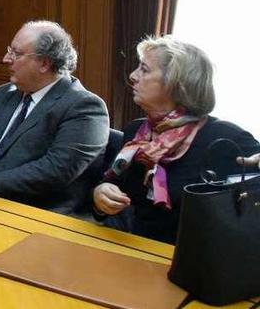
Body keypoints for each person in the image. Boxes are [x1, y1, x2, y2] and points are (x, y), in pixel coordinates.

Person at [93, 36, 260, 243]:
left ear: (175, 84)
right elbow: (109, 186)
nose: (133, 76)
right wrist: (100, 195)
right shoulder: (136, 131)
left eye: (144, 70)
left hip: (190, 262)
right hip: (130, 248)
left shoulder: (225, 138)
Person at [0, 20, 109, 215]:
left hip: (33, 213)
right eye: (9, 50)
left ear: (45, 63)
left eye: (16, 54)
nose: (5, 59)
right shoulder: (5, 93)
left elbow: (55, 170)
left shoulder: (84, 107)